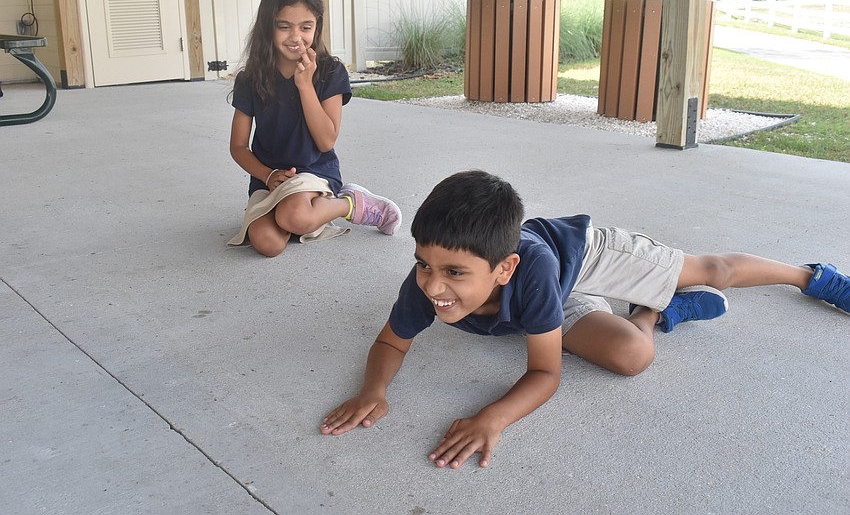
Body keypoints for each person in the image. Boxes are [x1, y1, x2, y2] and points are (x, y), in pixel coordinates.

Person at [320, 169, 850, 469]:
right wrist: (375, 389)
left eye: (454, 272)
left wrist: (494, 416)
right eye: (424, 264)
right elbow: (391, 343)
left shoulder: (530, 272)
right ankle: (656, 313)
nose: (434, 285)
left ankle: (811, 276)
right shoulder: (428, 283)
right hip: (552, 300)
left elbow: (545, 373)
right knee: (632, 356)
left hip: (587, 258)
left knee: (706, 269)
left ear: (504, 268)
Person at [227, 0, 400, 256]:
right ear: (267, 27)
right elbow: (238, 146)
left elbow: (326, 141)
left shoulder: (330, 72)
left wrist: (304, 84)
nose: (296, 37)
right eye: (284, 26)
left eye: (305, 27)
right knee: (267, 244)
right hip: (269, 178)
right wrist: (267, 175)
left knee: (295, 217)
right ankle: (296, 211)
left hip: (315, 172)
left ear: (316, 26)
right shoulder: (251, 79)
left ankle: (351, 203)